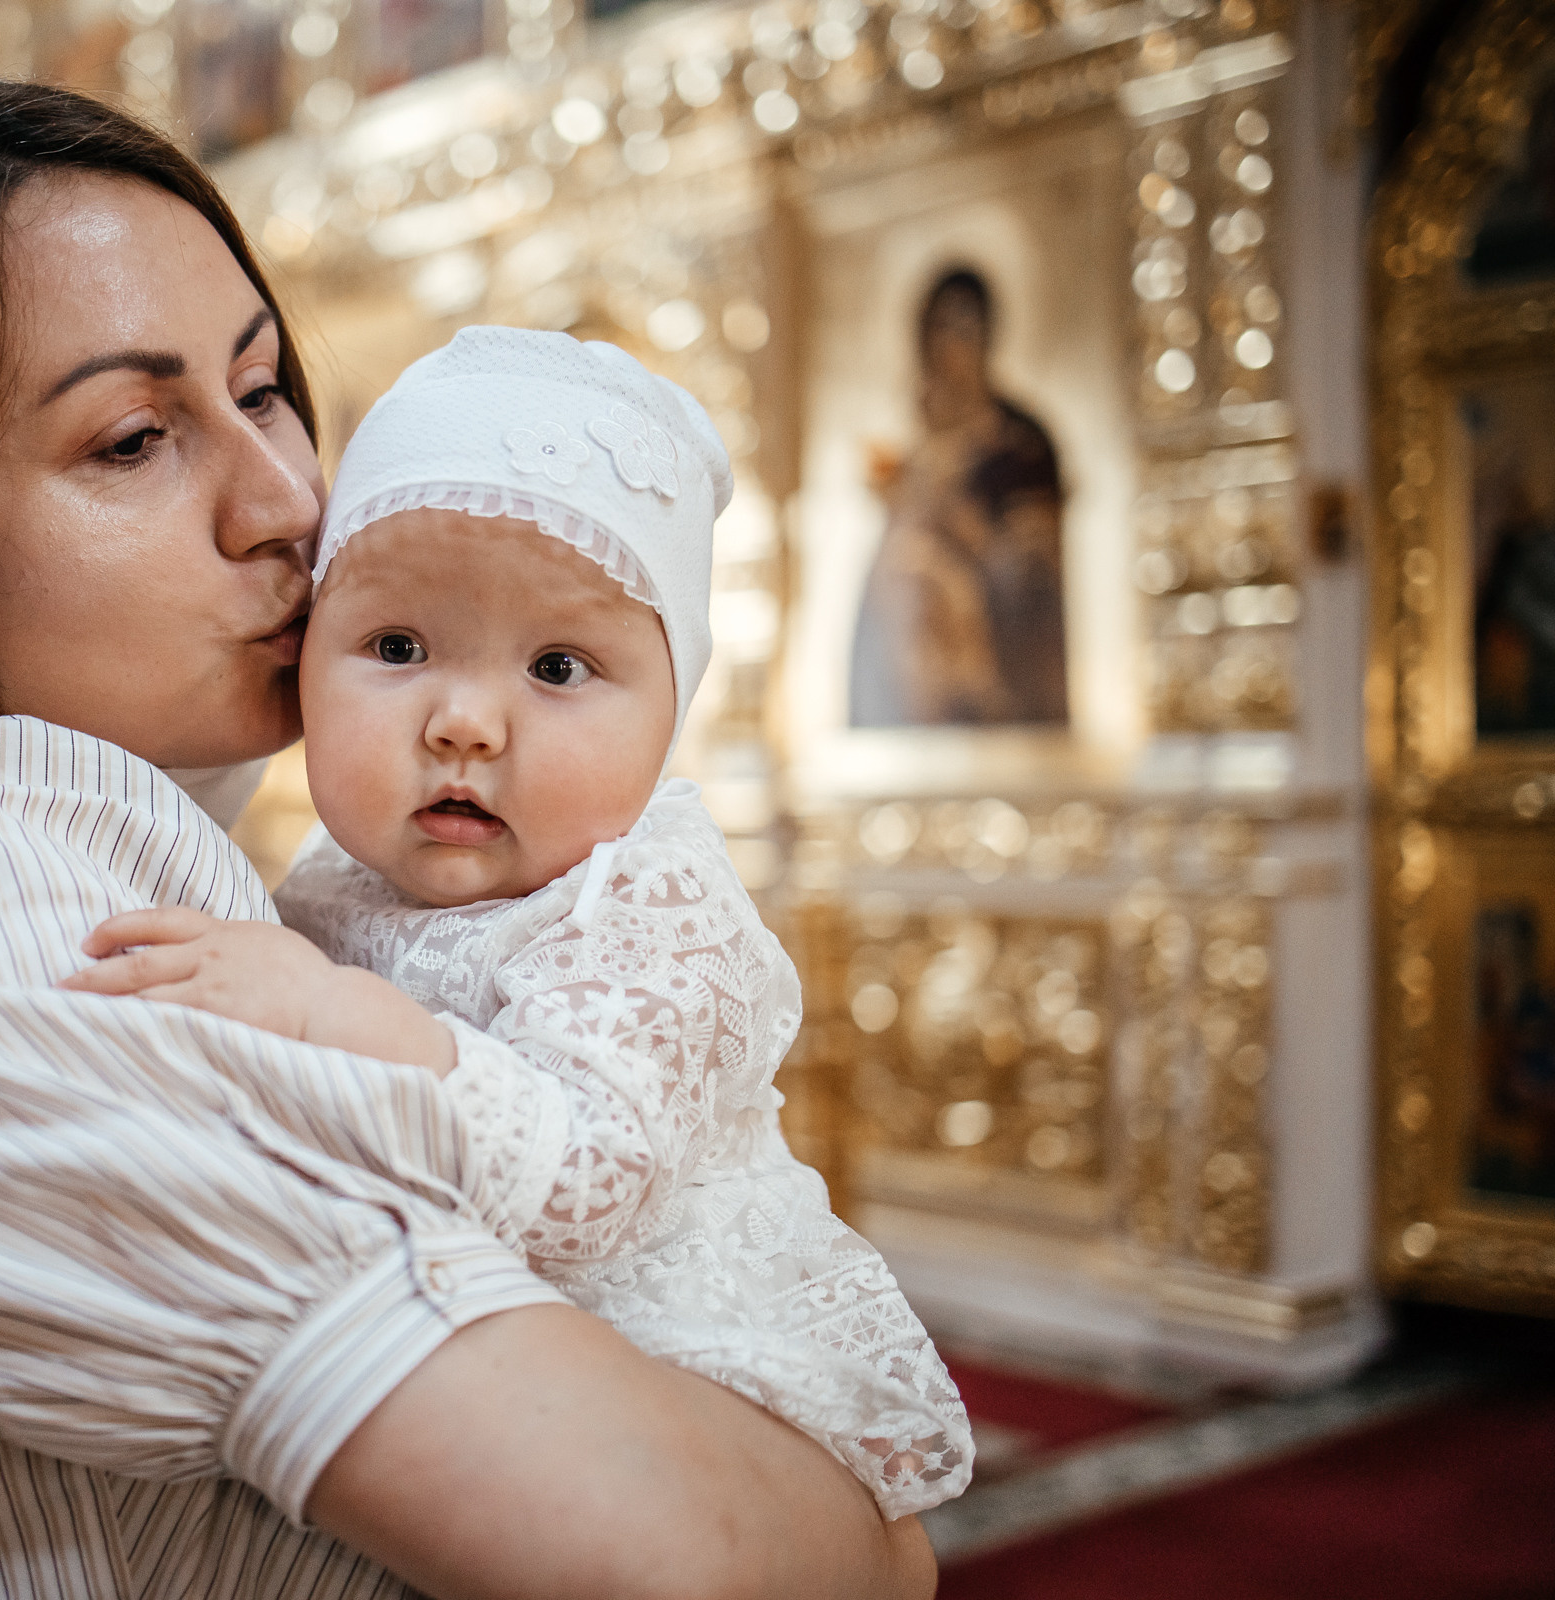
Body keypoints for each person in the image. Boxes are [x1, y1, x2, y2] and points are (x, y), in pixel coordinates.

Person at [0, 78, 936, 1599]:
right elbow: (705, 1558)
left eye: (261, 390)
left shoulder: (112, 844)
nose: (290, 500)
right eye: (130, 439)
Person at [64, 327, 973, 1519]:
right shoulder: (336, 872)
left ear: (670, 714)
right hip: (453, 1404)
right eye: (395, 647)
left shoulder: (646, 902)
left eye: (557, 667)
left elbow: (584, 1187)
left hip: (688, 1408)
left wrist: (335, 1013)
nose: (465, 723)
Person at [849, 267, 1067, 728]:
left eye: (964, 329)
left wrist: (958, 523)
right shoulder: (909, 442)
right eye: (938, 330)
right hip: (907, 653)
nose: (950, 348)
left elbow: (1033, 569)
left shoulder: (1021, 446)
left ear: (988, 337)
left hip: (996, 638)